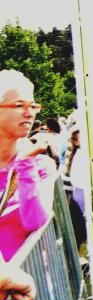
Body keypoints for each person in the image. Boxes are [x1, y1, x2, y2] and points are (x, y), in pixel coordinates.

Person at [0, 70, 55, 261]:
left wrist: (25, 164)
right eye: (19, 105)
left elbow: (35, 221)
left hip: (29, 275)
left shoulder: (41, 165)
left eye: (33, 106)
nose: (29, 113)